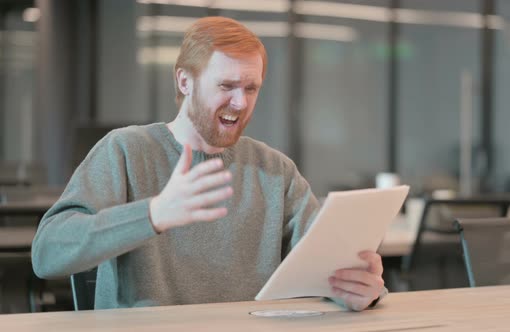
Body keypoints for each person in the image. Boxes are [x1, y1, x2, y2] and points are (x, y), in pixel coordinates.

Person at [31, 16, 386, 311]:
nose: (240, 102)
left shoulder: (275, 170)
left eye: (251, 88)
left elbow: (323, 265)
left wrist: (361, 288)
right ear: (185, 81)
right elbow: (47, 255)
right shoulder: (126, 151)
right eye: (227, 85)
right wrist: (153, 215)